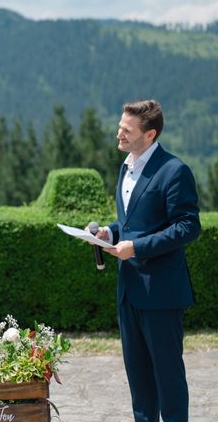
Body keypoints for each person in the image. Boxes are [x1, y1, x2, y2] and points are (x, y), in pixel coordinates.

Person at [93, 99, 200, 422]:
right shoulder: (126, 167)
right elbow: (131, 224)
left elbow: (188, 226)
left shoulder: (174, 170)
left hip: (162, 293)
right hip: (129, 292)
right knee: (139, 382)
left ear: (150, 135)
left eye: (127, 130)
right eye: (120, 127)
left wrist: (136, 247)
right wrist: (109, 235)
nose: (119, 135)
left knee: (168, 379)